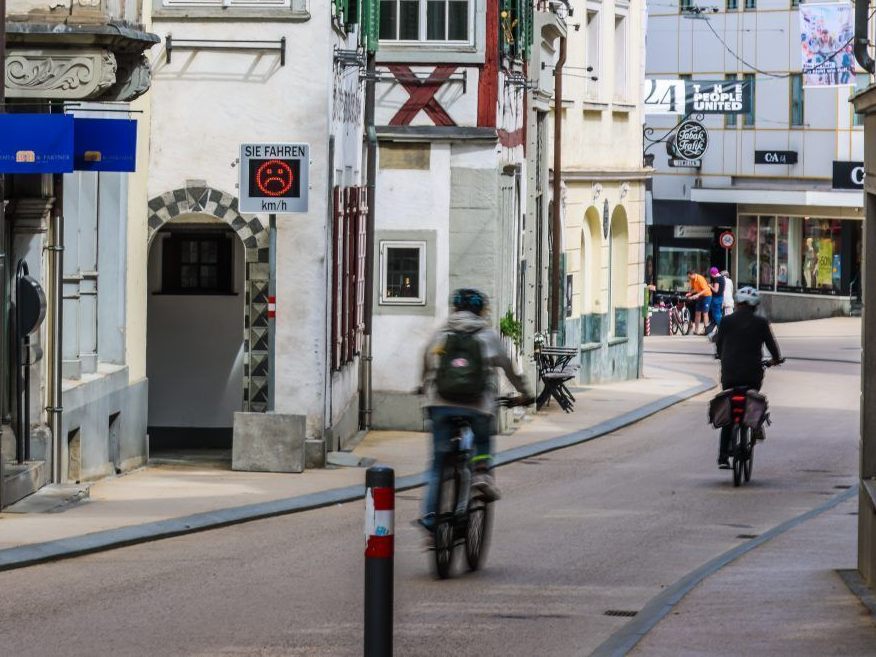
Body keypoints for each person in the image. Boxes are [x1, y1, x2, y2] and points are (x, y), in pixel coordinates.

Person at [418, 288, 533, 530]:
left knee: (438, 463)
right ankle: (481, 471)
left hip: (440, 404)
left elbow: (426, 358)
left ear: (455, 309)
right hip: (477, 405)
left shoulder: (442, 332)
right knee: (482, 438)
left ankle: (430, 517)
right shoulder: (487, 335)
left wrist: (422, 385)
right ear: (481, 311)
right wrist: (524, 393)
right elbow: (508, 367)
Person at [714, 287, 782, 469]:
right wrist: (775, 360)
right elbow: (772, 347)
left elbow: (719, 346)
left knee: (729, 410)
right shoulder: (761, 323)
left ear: (737, 303)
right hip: (752, 376)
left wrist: (722, 356)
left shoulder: (726, 321)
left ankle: (723, 456)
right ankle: (756, 425)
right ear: (755, 306)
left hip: (729, 376)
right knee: (753, 396)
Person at [685, 270, 712, 336]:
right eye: (688, 277)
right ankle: (696, 330)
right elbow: (695, 289)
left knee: (705, 313)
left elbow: (705, 289)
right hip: (700, 296)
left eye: (690, 277)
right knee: (697, 313)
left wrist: (697, 295)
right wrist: (690, 293)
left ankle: (706, 330)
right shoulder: (692, 280)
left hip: (707, 296)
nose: (689, 278)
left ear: (693, 274)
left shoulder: (700, 279)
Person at [707, 267, 725, 333]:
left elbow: (716, 290)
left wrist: (710, 286)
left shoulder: (716, 279)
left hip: (716, 298)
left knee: (717, 315)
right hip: (721, 298)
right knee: (719, 314)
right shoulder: (722, 278)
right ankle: (715, 330)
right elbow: (723, 290)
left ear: (712, 273)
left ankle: (721, 329)